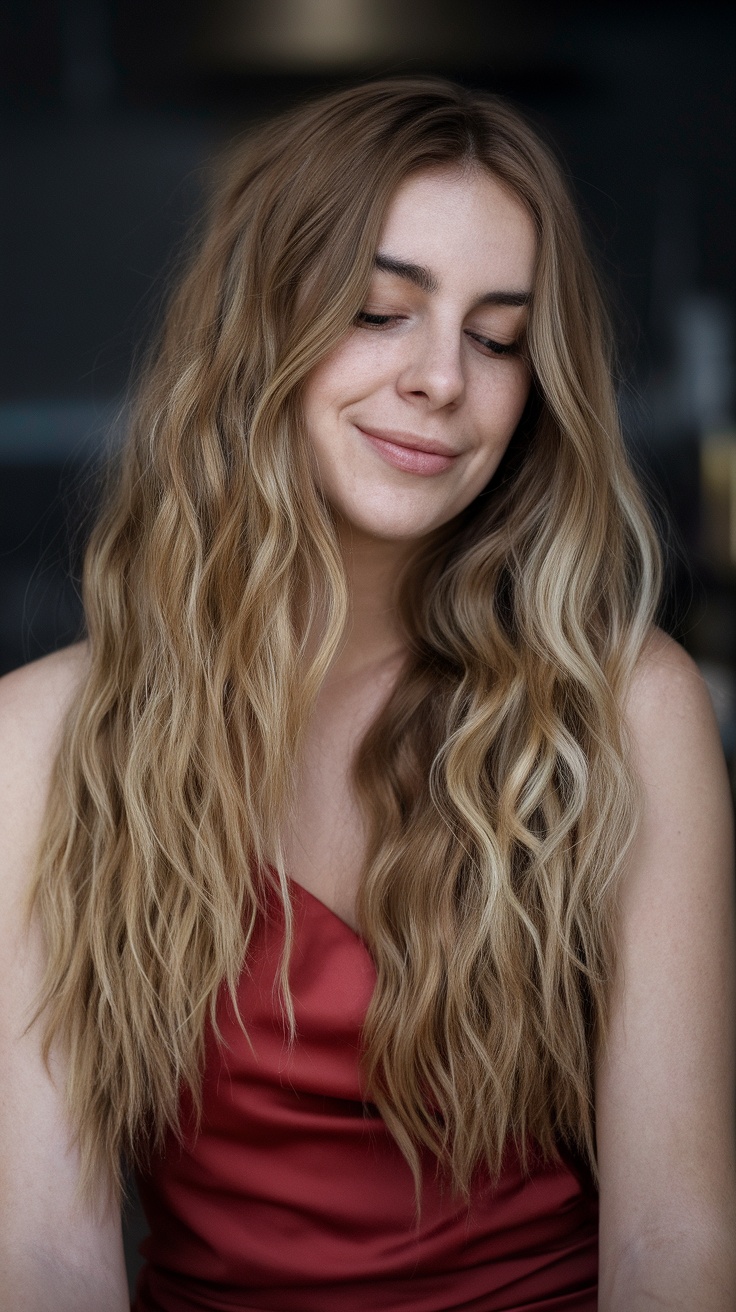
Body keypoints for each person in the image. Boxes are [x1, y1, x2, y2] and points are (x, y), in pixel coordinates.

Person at [0, 77, 733, 1312]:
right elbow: (47, 1256)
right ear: (258, 329)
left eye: (496, 337)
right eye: (381, 311)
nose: (440, 378)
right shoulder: (34, 743)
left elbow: (673, 1243)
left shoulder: (627, 711)